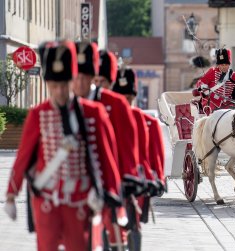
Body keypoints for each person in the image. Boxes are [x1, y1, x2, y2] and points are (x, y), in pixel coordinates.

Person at [4, 40, 121, 251]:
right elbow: (24, 155)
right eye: (54, 86)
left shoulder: (94, 112)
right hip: (47, 198)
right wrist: (11, 194)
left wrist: (109, 192)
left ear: (71, 81)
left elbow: (106, 157)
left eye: (64, 85)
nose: (59, 91)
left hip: (80, 199)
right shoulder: (38, 114)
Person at [73, 42, 142, 250]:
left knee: (112, 231)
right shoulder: (69, 104)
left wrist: (128, 177)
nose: (97, 84)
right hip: (77, 182)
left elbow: (128, 147)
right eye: (96, 80)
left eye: (102, 80)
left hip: (114, 178)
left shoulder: (117, 104)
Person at [112, 64, 166, 222]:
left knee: (134, 224)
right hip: (112, 181)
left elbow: (155, 156)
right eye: (121, 98)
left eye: (128, 98)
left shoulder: (148, 122)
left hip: (138, 181)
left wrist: (158, 179)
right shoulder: (105, 119)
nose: (125, 102)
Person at [194, 48, 235, 114]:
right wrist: (203, 86)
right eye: (222, 65)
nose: (224, 67)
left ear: (229, 64)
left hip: (229, 102)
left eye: (226, 65)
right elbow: (200, 82)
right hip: (212, 102)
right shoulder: (212, 72)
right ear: (218, 65)